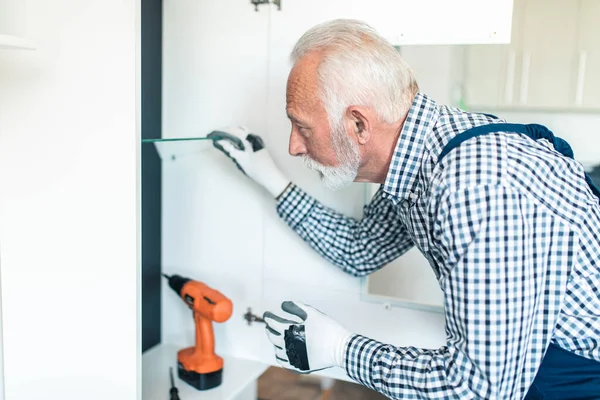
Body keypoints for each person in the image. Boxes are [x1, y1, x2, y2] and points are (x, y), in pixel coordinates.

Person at [209, 19, 600, 400]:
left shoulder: (474, 188)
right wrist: (269, 178)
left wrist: (343, 352)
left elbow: (478, 389)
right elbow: (360, 248)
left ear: (358, 124)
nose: (294, 146)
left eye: (302, 127)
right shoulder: (420, 158)